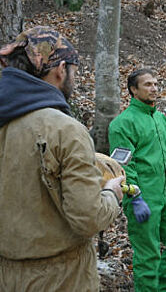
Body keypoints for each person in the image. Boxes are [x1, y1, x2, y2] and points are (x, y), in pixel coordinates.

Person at [0, 26, 124, 291]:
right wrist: (112, 194)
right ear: (60, 69)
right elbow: (88, 218)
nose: (74, 81)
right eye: (74, 73)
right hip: (61, 278)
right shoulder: (65, 130)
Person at [108, 68, 166, 291]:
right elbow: (123, 165)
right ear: (133, 90)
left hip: (165, 196)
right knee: (148, 257)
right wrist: (135, 196)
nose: (154, 88)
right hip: (143, 197)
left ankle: (162, 287)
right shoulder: (122, 124)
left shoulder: (161, 120)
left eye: (155, 83)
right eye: (147, 84)